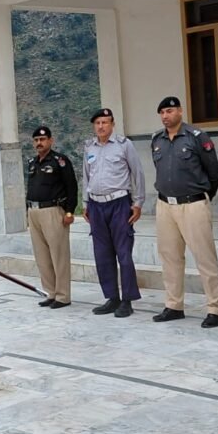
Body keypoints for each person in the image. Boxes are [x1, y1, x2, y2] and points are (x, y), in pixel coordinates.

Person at [149, 96, 218, 327]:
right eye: (162, 112)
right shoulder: (157, 139)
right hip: (165, 205)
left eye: (170, 111)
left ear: (180, 111)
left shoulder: (196, 137)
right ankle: (174, 305)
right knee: (170, 257)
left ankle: (216, 309)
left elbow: (213, 171)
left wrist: (203, 197)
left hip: (193, 205)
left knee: (205, 258)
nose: (166, 116)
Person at [83, 108, 146, 318]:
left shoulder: (124, 145)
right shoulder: (89, 147)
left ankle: (127, 300)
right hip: (96, 205)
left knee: (124, 254)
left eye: (105, 122)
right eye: (97, 123)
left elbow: (137, 173)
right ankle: (112, 297)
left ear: (112, 124)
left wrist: (138, 203)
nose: (101, 126)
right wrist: (85, 203)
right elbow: (86, 175)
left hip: (119, 204)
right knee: (102, 254)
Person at [26, 125, 78, 309]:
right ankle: (51, 292)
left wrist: (70, 211)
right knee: (42, 257)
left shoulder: (59, 161)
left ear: (50, 140)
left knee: (58, 255)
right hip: (34, 212)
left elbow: (71, 186)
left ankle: (63, 296)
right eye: (36, 140)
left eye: (42, 139)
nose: (39, 143)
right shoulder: (32, 162)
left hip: (53, 211)